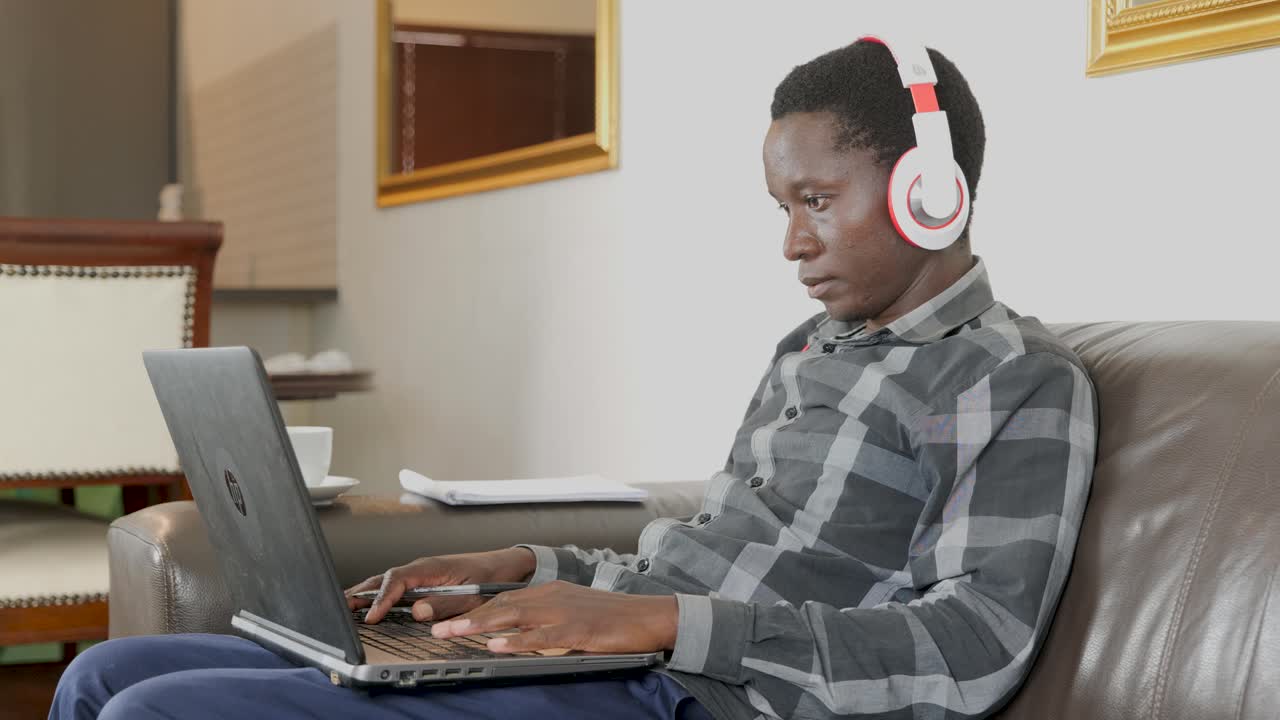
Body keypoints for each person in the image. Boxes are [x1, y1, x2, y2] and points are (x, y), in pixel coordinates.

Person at [51, 37, 1097, 720]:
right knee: (105, 675)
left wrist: (664, 627)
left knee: (155, 712)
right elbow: (698, 554)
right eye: (781, 207)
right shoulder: (809, 350)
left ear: (928, 192)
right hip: (617, 664)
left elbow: (971, 645)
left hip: (696, 698)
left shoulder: (1011, 379)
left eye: (814, 201)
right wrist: (520, 564)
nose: (790, 242)